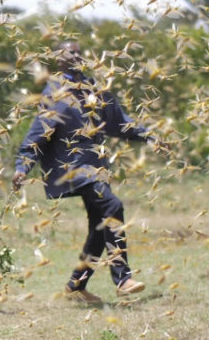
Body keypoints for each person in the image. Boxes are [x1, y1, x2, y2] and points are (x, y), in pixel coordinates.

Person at [12, 41, 163, 304]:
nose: (77, 55)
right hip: (71, 168)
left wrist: (150, 136)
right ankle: (123, 279)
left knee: (99, 227)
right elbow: (38, 134)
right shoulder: (54, 93)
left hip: (95, 165)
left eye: (80, 52)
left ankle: (76, 286)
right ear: (59, 59)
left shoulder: (95, 88)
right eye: (71, 52)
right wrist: (22, 166)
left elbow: (118, 123)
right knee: (113, 206)